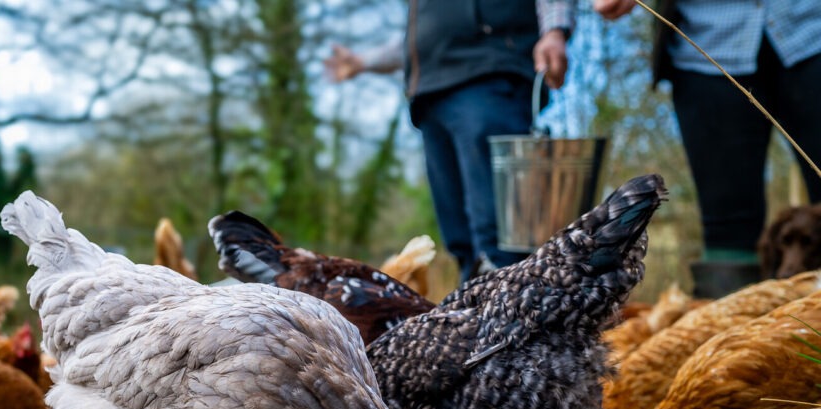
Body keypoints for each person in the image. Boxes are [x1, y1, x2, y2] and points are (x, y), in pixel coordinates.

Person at [326, 1, 576, 282]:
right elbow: (414, 44)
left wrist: (555, 30)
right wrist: (363, 62)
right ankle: (476, 313)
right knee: (461, 242)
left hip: (489, 72)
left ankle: (521, 312)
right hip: (431, 95)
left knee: (502, 240)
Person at [595, 0, 821, 297]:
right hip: (708, 46)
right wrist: (555, 29)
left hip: (810, 32)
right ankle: (736, 336)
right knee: (728, 237)